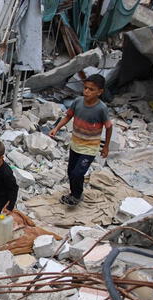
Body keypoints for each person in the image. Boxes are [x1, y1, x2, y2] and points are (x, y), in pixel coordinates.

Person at [48, 74, 113, 206]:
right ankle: (74, 193)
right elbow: (68, 117)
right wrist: (56, 128)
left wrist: (106, 146)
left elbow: (109, 127)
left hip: (89, 148)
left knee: (78, 173)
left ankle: (76, 196)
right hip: (75, 144)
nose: (87, 91)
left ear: (100, 92)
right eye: (85, 88)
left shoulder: (101, 108)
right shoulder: (78, 102)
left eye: (91, 89)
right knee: (71, 172)